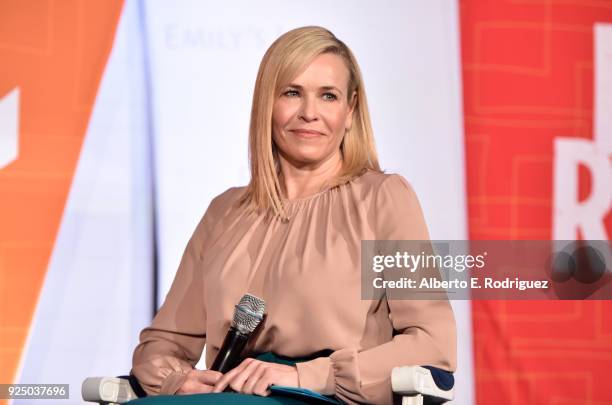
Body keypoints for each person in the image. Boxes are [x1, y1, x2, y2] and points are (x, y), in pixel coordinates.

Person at [131, 26, 456, 405]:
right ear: (267, 104)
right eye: (292, 92)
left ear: (350, 111)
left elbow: (433, 344)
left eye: (328, 96)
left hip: (324, 397)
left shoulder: (383, 198)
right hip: (230, 398)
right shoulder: (225, 212)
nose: (309, 113)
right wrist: (178, 380)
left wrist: (307, 375)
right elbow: (161, 344)